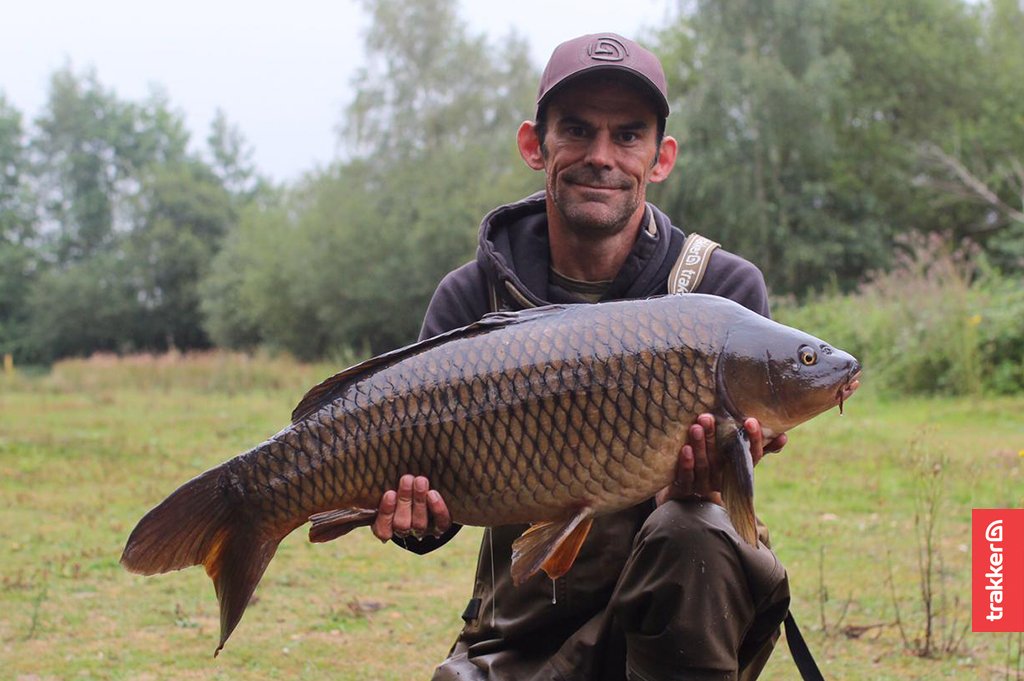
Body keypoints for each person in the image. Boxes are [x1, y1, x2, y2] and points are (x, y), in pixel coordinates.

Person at [372, 33, 791, 681]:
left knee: (690, 528)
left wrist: (702, 486)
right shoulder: (473, 294)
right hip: (519, 627)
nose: (602, 156)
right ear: (534, 145)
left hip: (678, 617)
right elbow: (430, 526)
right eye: (576, 130)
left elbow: (720, 513)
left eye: (628, 135)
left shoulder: (720, 293)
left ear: (661, 158)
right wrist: (413, 520)